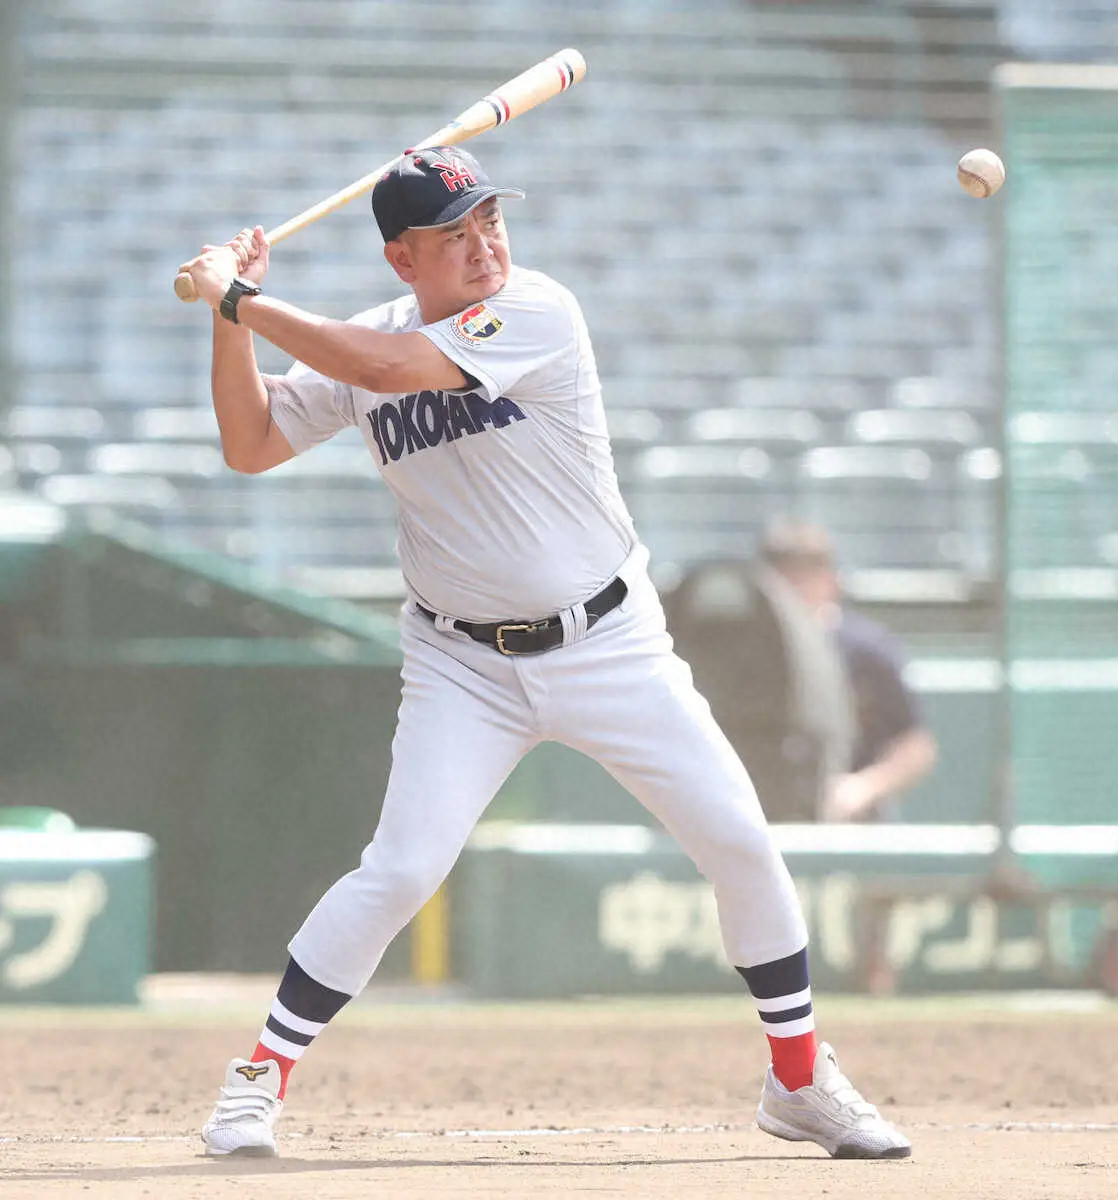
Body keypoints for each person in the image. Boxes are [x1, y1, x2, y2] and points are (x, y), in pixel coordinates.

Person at [178, 145, 910, 1161]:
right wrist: (228, 319)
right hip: (461, 665)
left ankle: (798, 1082)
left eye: (490, 219)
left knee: (740, 840)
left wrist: (243, 295)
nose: (484, 244)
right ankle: (258, 1077)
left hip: (607, 639)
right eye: (453, 234)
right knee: (400, 870)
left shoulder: (535, 311)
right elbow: (250, 442)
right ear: (401, 260)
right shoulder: (368, 336)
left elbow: (383, 369)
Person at [758, 521, 938, 822]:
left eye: (806, 577)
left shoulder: (866, 649)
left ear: (831, 580)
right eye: (785, 581)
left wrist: (864, 787)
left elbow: (916, 746)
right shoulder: (748, 652)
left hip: (852, 824)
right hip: (769, 816)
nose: (795, 592)